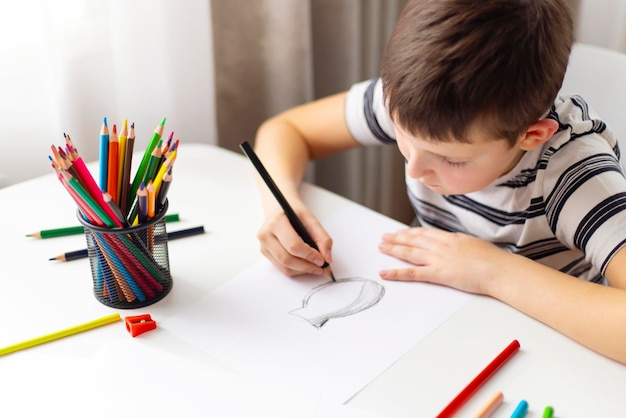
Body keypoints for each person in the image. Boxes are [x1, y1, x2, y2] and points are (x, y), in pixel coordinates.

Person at [251, 0, 626, 365]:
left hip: (539, 355)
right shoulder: (417, 103)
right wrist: (281, 205)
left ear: (532, 135)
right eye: (401, 135)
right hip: (436, 332)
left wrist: (491, 271)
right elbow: (286, 130)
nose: (414, 170)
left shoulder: (574, 175)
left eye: (450, 160)